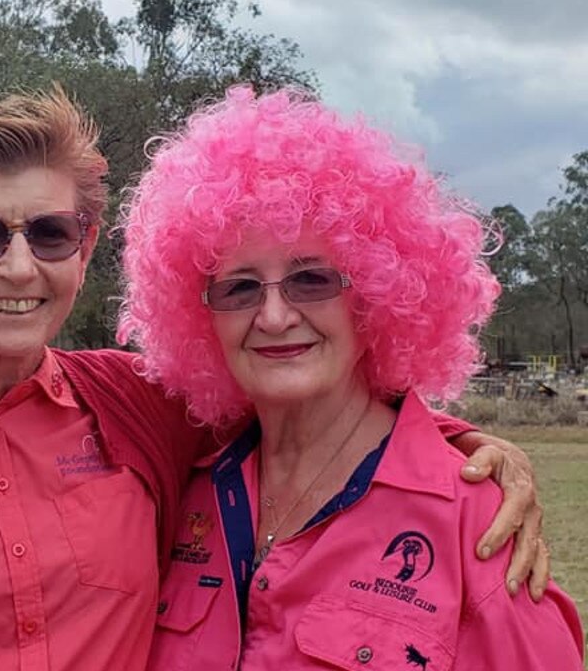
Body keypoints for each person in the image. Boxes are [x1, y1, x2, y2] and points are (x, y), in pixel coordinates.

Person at [0, 88, 551, 671]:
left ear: (84, 247)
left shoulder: (138, 407)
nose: (18, 266)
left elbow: (306, 405)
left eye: (48, 232)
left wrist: (465, 450)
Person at [117, 86, 583, 669]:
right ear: (199, 315)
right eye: (239, 287)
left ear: (376, 298)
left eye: (311, 279)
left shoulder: (478, 524)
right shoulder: (181, 489)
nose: (275, 315)